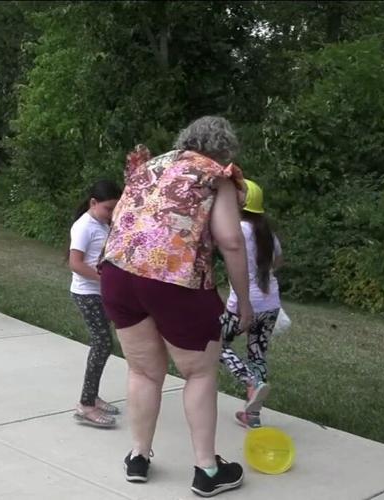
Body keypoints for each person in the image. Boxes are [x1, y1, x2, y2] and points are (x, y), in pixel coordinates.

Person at [99, 117, 252, 497]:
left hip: (118, 273)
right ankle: (208, 469)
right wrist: (244, 302)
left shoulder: (150, 166)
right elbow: (231, 240)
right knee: (198, 373)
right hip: (174, 281)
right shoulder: (215, 174)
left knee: (143, 370)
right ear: (224, 149)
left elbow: (123, 218)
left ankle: (138, 456)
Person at [219, 178, 283, 429]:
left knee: (215, 343)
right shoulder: (267, 232)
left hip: (243, 303)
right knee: (257, 354)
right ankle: (252, 415)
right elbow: (278, 261)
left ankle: (249, 380)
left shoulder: (237, 230)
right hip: (270, 303)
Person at [68, 179, 122, 428]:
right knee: (102, 344)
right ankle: (86, 405)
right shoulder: (84, 227)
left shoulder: (103, 224)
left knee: (103, 345)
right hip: (86, 293)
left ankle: (92, 396)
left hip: (101, 293)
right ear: (93, 203)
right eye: (108, 208)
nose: (111, 214)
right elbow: (75, 263)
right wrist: (105, 280)